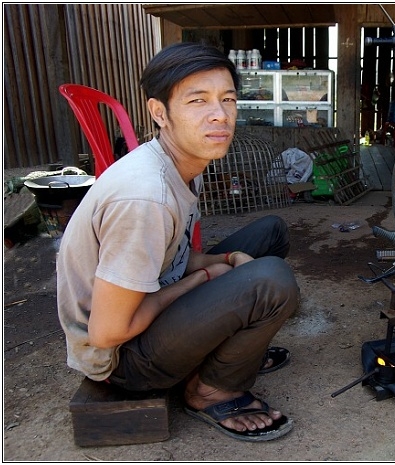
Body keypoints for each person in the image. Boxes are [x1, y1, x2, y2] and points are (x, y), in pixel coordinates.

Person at [56, 42, 299, 442]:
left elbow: (171, 257)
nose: (219, 114)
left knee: (270, 232)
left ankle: (227, 354)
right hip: (123, 358)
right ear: (159, 113)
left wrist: (222, 258)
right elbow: (107, 332)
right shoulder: (145, 196)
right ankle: (211, 388)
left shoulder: (184, 163)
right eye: (197, 101)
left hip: (149, 304)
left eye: (228, 99)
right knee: (272, 280)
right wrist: (202, 279)